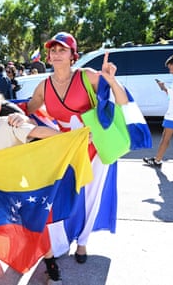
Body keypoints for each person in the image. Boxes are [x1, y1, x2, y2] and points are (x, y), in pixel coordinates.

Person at [26, 32, 128, 264]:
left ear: (74, 55)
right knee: (62, 196)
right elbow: (27, 109)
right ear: (48, 56)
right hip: (65, 149)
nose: (57, 54)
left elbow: (122, 102)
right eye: (53, 50)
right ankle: (60, 243)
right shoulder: (44, 86)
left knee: (91, 196)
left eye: (63, 50)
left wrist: (111, 80)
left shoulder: (87, 76)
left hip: (95, 148)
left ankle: (82, 243)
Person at [0, 86, 62, 283]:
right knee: (11, 228)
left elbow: (37, 131)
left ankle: (51, 265)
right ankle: (18, 257)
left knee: (36, 226)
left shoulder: (10, 123)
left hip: (24, 188)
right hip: (2, 192)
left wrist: (64, 136)